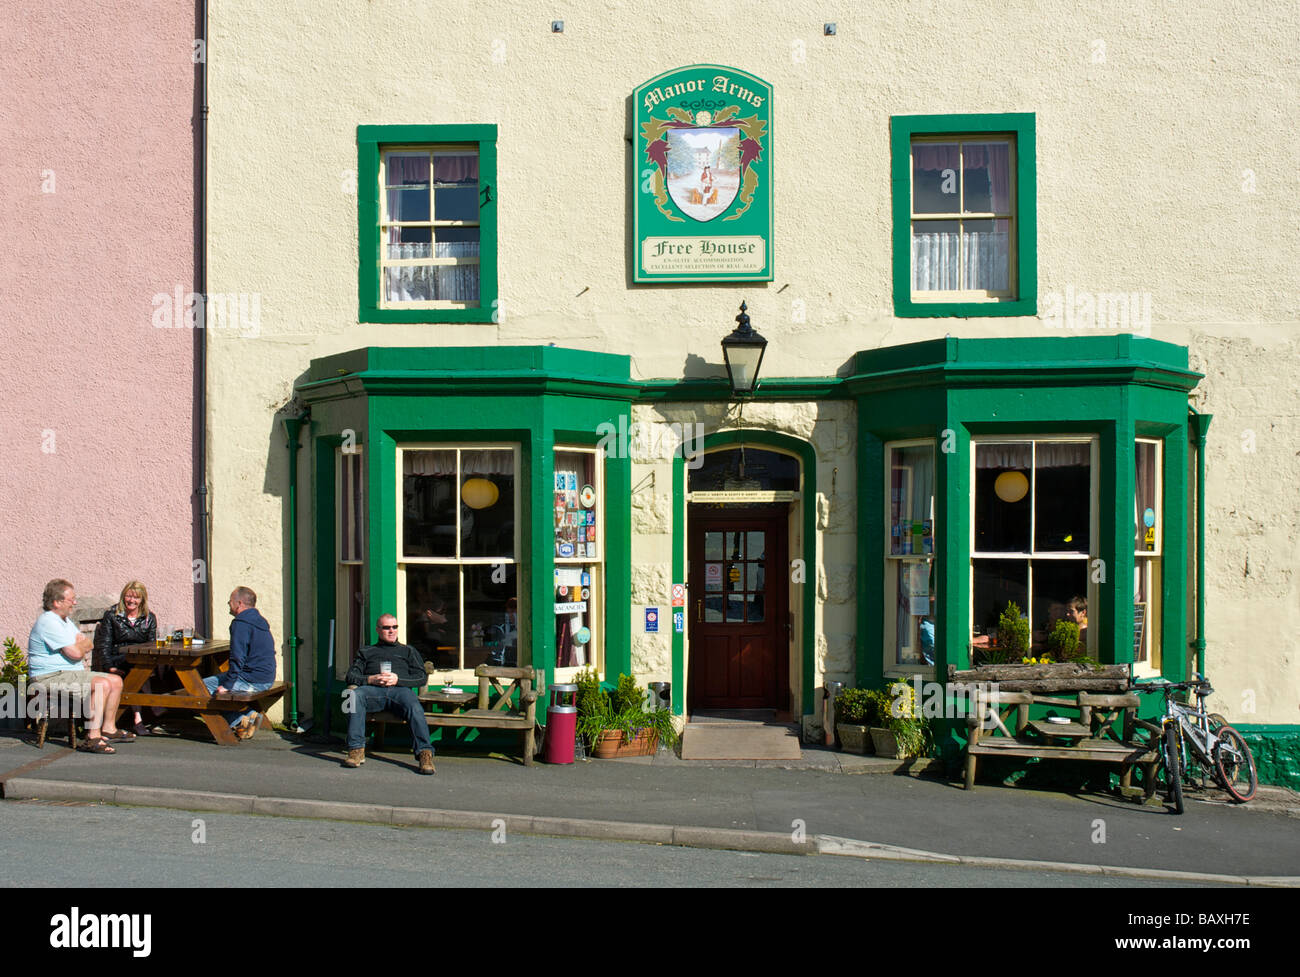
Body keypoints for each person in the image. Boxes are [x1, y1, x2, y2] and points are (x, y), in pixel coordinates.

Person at [27, 579, 131, 753]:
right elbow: (75, 653)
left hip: (68, 672)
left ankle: (109, 728)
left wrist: (79, 646)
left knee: (116, 680)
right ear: (57, 602)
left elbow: (88, 645)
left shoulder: (64, 621)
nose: (75, 603)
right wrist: (79, 647)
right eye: (71, 599)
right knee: (102, 684)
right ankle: (92, 737)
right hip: (50, 676)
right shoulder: (49, 622)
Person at [343, 614, 435, 774]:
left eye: (394, 627)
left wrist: (398, 679)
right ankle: (356, 749)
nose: (391, 631)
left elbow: (421, 677)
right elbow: (350, 676)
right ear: (378, 630)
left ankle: (424, 754)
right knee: (354, 695)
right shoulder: (367, 651)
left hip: (400, 691)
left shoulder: (408, 651)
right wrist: (371, 679)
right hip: (373, 691)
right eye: (386, 628)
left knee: (414, 705)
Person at [203, 586, 276, 740]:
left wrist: (227, 686)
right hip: (266, 677)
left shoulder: (241, 623)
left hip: (252, 680)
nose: (228, 604)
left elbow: (237, 657)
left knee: (201, 688)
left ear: (239, 603)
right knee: (208, 683)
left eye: (230, 601)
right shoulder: (259, 621)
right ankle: (245, 719)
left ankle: (242, 718)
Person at [93, 580, 158, 735]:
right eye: (129, 596)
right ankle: (140, 717)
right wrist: (109, 666)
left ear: (142, 600)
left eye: (136, 597)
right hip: (118, 658)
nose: (131, 600)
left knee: (148, 669)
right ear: (123, 597)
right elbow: (104, 645)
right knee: (138, 670)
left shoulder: (149, 618)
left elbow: (152, 644)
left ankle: (146, 714)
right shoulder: (112, 615)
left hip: (140, 659)